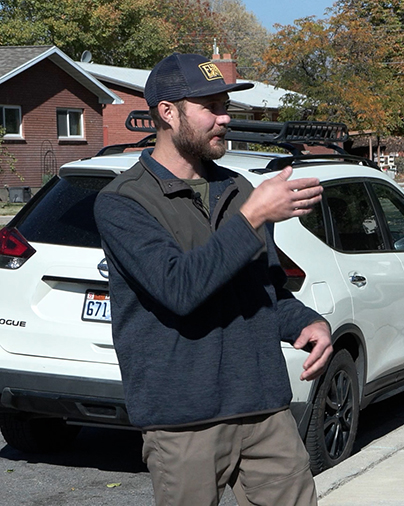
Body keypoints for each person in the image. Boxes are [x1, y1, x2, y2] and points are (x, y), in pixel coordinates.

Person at [93, 52, 333, 506]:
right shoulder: (123, 202)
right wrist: (254, 215)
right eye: (211, 107)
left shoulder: (239, 189)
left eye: (226, 105)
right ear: (167, 112)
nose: (225, 118)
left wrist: (304, 321)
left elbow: (263, 289)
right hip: (183, 419)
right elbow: (179, 290)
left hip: (264, 406)